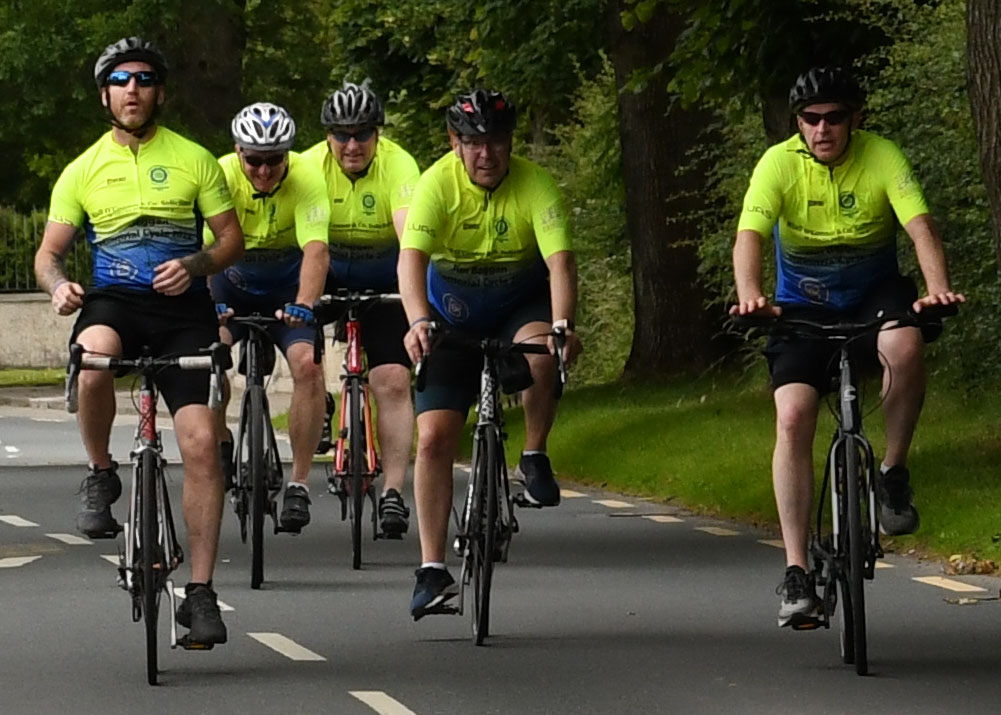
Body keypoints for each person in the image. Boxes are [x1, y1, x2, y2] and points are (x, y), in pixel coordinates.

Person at [729, 66, 965, 628]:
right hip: (801, 306)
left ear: (855, 119)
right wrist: (751, 295)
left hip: (873, 297)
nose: (822, 129)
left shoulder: (882, 155)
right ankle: (795, 571)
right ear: (798, 123)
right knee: (793, 416)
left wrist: (936, 289)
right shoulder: (777, 164)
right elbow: (749, 237)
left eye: (834, 117)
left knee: (906, 345)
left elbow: (921, 227)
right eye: (810, 119)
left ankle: (893, 473)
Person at [33, 37, 245, 646]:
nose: (133, 89)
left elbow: (231, 241)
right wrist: (58, 287)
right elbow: (47, 255)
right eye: (121, 80)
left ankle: (200, 593)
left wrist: (196, 264)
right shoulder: (82, 169)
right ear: (105, 94)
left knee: (200, 444)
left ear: (160, 93)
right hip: (115, 303)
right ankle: (101, 472)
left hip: (183, 310)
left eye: (145, 79)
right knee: (93, 359)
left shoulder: (195, 159)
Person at [398, 89, 582, 619]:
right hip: (450, 312)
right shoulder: (436, 184)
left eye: (497, 142)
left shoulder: (536, 184)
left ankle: (534, 453)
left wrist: (564, 325)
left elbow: (560, 263)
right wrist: (417, 321)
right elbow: (411, 261)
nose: (486, 154)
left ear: (510, 143)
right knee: (433, 438)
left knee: (541, 351)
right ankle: (431, 569)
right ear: (454, 142)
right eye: (474, 143)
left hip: (517, 305)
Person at [301, 80, 420, 537]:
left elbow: (410, 238)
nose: (352, 145)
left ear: (378, 134)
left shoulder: (398, 164)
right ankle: (318, 404)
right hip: (327, 271)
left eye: (363, 134)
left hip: (384, 277)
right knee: (304, 358)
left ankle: (393, 493)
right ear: (327, 136)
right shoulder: (308, 167)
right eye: (342, 135)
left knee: (392, 380)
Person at [208, 103, 330, 532]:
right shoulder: (219, 176)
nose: (263, 171)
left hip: (285, 290)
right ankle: (222, 439)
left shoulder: (307, 177)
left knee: (308, 366)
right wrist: (208, 305)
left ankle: (298, 483)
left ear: (287, 155)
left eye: (274, 160)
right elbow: (202, 250)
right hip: (229, 284)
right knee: (208, 361)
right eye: (254, 160)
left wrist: (305, 303)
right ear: (237, 151)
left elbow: (316, 249)